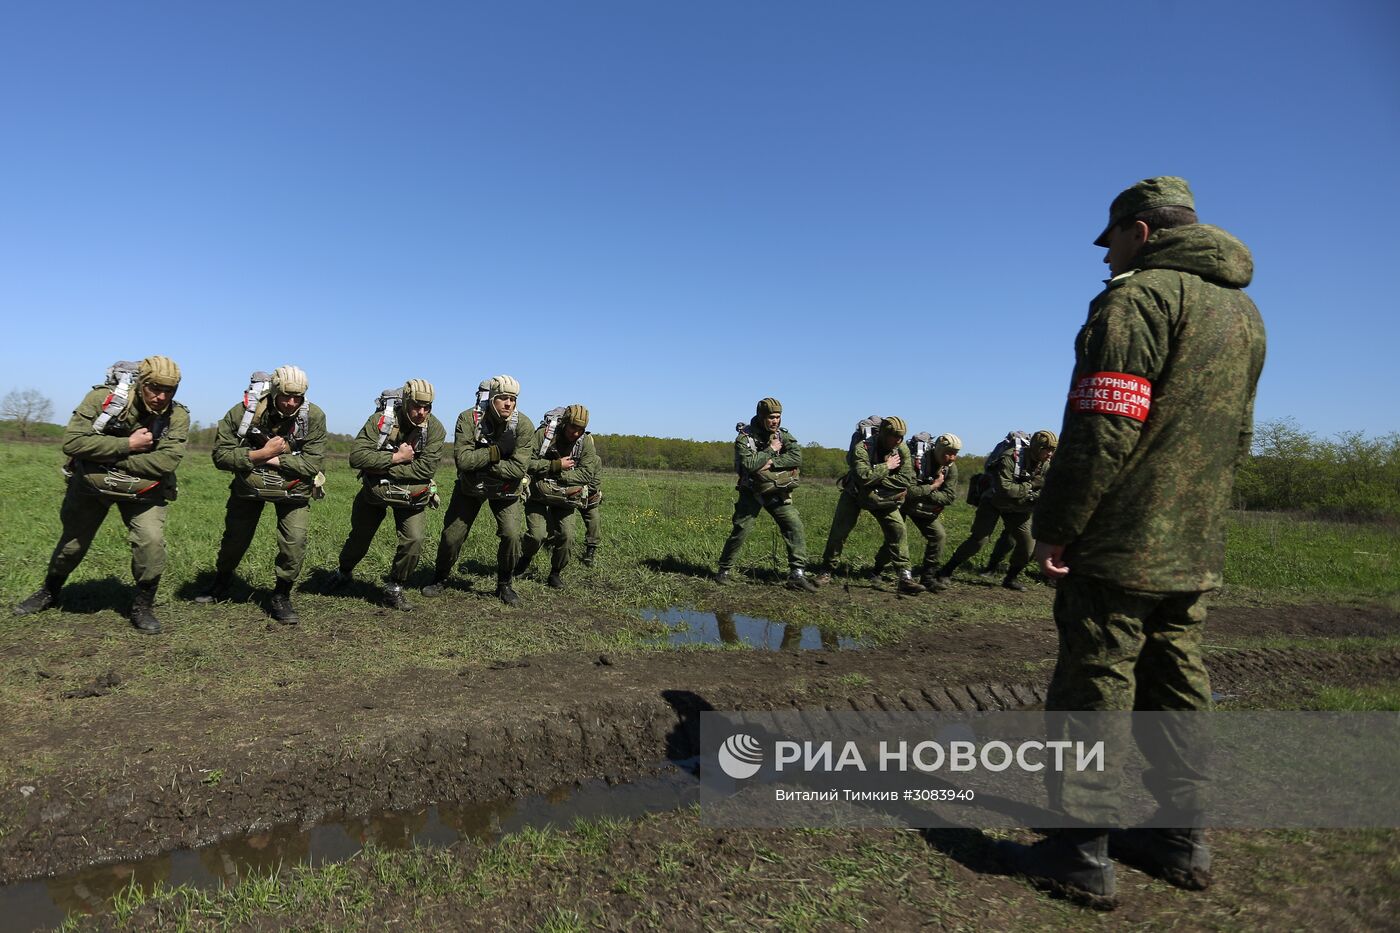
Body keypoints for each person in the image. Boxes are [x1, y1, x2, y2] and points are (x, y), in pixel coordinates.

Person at [995, 176, 1266, 908]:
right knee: (1177, 679)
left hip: (1119, 541)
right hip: (1195, 543)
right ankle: (1180, 835)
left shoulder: (1138, 298)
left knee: (1095, 680)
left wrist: (1056, 526)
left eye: (1110, 239)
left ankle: (1079, 848)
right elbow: (1237, 437)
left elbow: (1102, 426)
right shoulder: (1244, 314)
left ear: (1140, 233)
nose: (1105, 256)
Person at [14, 356, 189, 633]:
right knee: (72, 544)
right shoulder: (102, 399)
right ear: (141, 383)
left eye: (169, 390)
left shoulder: (177, 415)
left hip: (144, 492)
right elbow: (72, 442)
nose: (161, 396)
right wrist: (128, 444)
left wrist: (104, 458)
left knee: (151, 542)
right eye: (154, 388)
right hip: (91, 488)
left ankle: (143, 605)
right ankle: (49, 591)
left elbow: (165, 463)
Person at [199, 365, 327, 624]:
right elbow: (220, 456)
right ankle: (221, 582)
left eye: (298, 398)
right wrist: (258, 455)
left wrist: (272, 457)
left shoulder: (313, 417)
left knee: (295, 542)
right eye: (286, 396)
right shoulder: (244, 412)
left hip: (294, 491)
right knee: (235, 538)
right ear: (274, 392)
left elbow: (313, 464)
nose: (291, 403)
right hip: (249, 489)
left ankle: (281, 594)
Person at [327, 379, 444, 611]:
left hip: (411, 496)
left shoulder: (435, 429)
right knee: (359, 537)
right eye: (416, 406)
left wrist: (380, 468)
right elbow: (357, 458)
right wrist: (396, 458)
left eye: (427, 407)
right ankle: (344, 571)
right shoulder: (380, 421)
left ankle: (395, 589)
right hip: (374, 493)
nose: (422, 412)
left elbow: (425, 469)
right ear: (406, 402)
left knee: (414, 539)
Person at [424, 375, 534, 606]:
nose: (508, 404)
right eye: (503, 398)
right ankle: (440, 577)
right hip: (469, 487)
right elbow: (463, 462)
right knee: (452, 536)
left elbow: (517, 469)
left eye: (512, 399)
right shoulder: (468, 419)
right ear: (492, 398)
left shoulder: (523, 425)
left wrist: (483, 462)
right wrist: (496, 452)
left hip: (506, 491)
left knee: (512, 535)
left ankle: (505, 584)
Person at [714, 398, 818, 592]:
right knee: (741, 529)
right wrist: (771, 450)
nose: (775, 421)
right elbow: (748, 465)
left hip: (775, 490)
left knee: (794, 524)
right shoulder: (745, 438)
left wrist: (771, 462)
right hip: (751, 491)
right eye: (771, 417)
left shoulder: (782, 435)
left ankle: (797, 574)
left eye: (778, 417)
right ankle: (724, 571)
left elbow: (797, 457)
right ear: (762, 416)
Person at [935, 430, 1056, 591]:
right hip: (993, 502)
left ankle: (1010, 578)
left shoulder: (1046, 465)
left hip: (1019, 507)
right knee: (979, 540)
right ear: (1036, 447)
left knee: (1028, 545)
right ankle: (946, 570)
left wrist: (1032, 493)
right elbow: (1005, 490)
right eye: (1047, 449)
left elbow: (1048, 490)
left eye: (1052, 450)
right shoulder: (1009, 458)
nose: (1050, 454)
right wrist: (1031, 486)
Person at [816, 416, 924, 595]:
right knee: (839, 531)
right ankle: (825, 571)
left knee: (898, 530)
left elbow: (906, 480)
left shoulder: (902, 449)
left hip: (883, 498)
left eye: (901, 437)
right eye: (895, 436)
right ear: (883, 434)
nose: (898, 440)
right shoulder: (863, 447)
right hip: (854, 494)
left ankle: (905, 577)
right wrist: (886, 467)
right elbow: (862, 476)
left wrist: (877, 482)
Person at [517, 404, 601, 588]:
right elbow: (526, 462)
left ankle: (555, 573)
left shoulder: (585, 442)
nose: (576, 433)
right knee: (537, 535)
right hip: (538, 494)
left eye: (581, 429)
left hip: (565, 498)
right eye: (573, 428)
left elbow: (587, 473)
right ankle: (524, 560)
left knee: (567, 536)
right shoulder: (544, 435)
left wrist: (557, 475)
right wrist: (555, 465)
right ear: (564, 423)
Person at [902, 433, 962, 591]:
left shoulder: (951, 469)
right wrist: (933, 487)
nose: (952, 458)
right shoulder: (917, 461)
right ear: (938, 450)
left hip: (924, 509)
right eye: (948, 453)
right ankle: (877, 571)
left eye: (955, 454)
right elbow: (908, 492)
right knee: (896, 535)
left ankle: (927, 578)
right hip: (903, 505)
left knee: (939, 536)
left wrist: (926, 493)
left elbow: (949, 497)